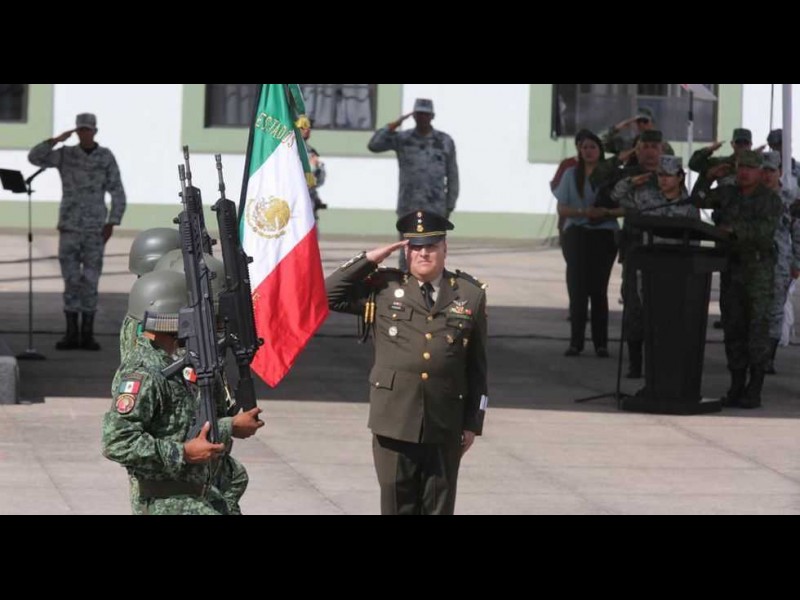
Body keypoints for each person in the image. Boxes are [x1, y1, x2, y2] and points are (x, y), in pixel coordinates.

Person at [325, 210, 487, 515]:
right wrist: (369, 259)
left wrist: (472, 423)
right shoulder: (384, 288)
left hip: (444, 421)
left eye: (431, 246)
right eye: (415, 246)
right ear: (405, 251)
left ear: (445, 249)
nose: (423, 253)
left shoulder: (469, 294)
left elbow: (477, 367)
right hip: (394, 419)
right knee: (397, 506)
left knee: (438, 508)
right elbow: (327, 294)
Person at [102, 269, 263, 515]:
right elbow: (117, 442)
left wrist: (227, 426)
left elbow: (178, 426)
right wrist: (184, 453)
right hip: (168, 503)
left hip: (193, 497)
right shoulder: (145, 373)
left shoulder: (169, 364)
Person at [691, 150, 782, 409]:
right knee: (733, 328)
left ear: (760, 172)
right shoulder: (727, 193)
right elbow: (697, 200)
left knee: (757, 329)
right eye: (741, 167)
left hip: (758, 270)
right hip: (731, 268)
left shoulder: (769, 199)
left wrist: (733, 230)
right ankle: (736, 385)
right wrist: (708, 177)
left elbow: (764, 232)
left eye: (750, 168)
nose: (744, 173)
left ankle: (755, 387)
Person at [28, 113, 126, 352]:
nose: (84, 134)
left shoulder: (105, 157)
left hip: (95, 229)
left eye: (88, 130)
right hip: (70, 227)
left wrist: (112, 222)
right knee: (71, 280)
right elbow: (35, 158)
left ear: (95, 131)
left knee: (90, 281)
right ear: (76, 131)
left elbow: (117, 191)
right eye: (80, 130)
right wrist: (55, 140)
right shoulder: (66, 154)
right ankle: (71, 334)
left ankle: (87, 335)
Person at [368, 99, 459, 271]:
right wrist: (395, 123)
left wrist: (450, 205)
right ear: (414, 116)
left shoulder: (444, 140)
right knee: (408, 249)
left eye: (426, 114)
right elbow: (374, 145)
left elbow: (453, 174)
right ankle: (406, 282)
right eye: (419, 114)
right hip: (408, 205)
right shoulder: (403, 138)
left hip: (435, 206)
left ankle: (434, 282)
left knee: (434, 249)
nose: (422, 117)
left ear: (432, 116)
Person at [553, 131, 619, 357]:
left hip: (604, 234)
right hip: (577, 233)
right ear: (579, 151)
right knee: (577, 288)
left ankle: (601, 343)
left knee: (599, 290)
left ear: (600, 150)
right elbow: (562, 208)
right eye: (584, 147)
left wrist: (605, 212)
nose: (588, 151)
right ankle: (576, 342)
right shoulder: (571, 174)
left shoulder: (611, 175)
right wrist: (583, 212)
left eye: (593, 147)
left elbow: (624, 206)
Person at [299, 120, 328, 221]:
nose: (307, 130)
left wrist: (318, 168)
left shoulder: (310, 151)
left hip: (309, 200)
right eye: (303, 127)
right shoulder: (289, 150)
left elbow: (317, 182)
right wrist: (312, 167)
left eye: (308, 127)